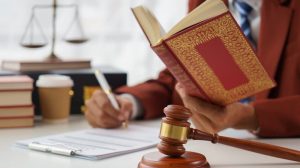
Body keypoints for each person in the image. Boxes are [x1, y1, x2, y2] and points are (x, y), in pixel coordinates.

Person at [85, 0, 300, 137]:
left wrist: (252, 117)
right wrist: (128, 103)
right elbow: (182, 78)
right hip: (219, 152)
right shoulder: (205, 3)